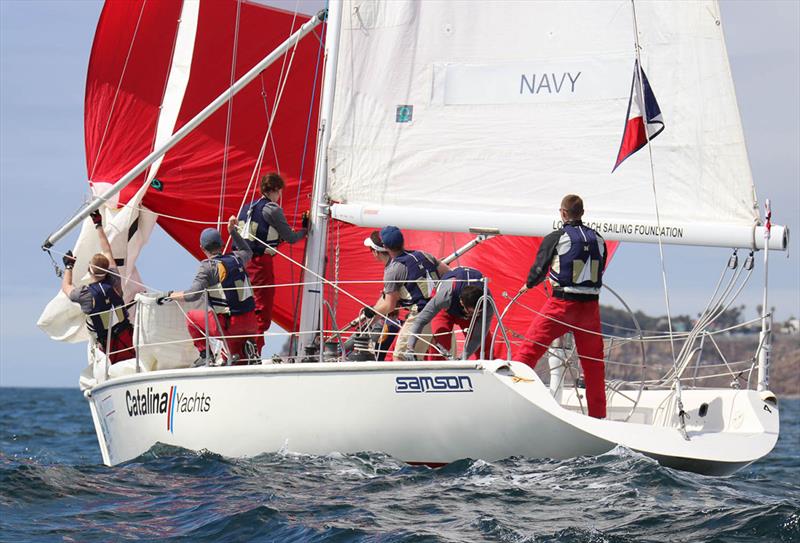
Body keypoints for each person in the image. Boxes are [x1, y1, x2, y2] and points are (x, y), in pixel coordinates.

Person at [517, 194, 608, 418]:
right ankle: (598, 418)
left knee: (527, 354)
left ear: (563, 213)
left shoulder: (557, 237)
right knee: (594, 368)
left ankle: (513, 400)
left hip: (561, 306)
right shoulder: (599, 239)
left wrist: (528, 285)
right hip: (590, 310)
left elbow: (538, 271)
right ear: (583, 213)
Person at [166, 216, 258, 366]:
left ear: (202, 248)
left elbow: (192, 295)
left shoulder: (207, 266)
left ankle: (205, 355)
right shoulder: (237, 258)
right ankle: (244, 352)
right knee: (236, 361)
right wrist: (232, 232)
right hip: (251, 323)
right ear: (222, 244)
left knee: (191, 317)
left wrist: (171, 295)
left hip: (230, 326)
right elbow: (247, 250)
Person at [238, 172, 308, 352]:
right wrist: (305, 229)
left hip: (240, 263)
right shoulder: (272, 209)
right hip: (260, 263)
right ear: (276, 190)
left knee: (244, 305)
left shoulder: (247, 207)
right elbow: (291, 238)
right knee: (262, 308)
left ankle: (240, 348)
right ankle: (254, 352)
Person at [61, 210, 134, 363]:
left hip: (106, 347)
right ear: (107, 268)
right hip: (127, 337)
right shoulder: (114, 279)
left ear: (89, 270)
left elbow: (66, 287)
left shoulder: (84, 294)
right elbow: (107, 250)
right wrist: (98, 224)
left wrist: (69, 266)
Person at [370, 226, 451, 360]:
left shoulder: (393, 270)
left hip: (421, 315)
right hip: (442, 314)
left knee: (401, 358)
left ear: (384, 247)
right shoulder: (423, 254)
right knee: (442, 359)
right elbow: (448, 274)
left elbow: (389, 305)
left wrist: (371, 312)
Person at [406, 266, 496, 360]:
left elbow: (478, 337)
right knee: (442, 342)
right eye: (471, 312)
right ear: (461, 302)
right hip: (446, 309)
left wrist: (463, 358)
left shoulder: (487, 303)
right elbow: (421, 320)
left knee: (485, 346)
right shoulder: (445, 296)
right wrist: (410, 348)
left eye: (478, 311)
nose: (474, 314)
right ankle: (436, 370)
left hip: (465, 312)